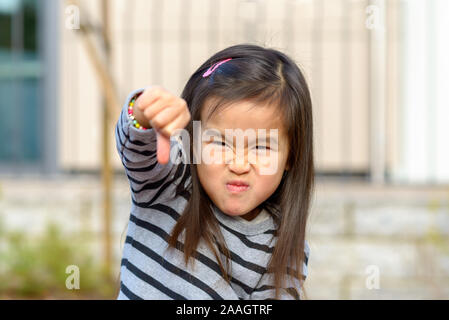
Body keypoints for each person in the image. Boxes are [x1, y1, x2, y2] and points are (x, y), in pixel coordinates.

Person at [115, 44, 313, 300]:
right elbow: (137, 147)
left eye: (262, 147)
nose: (239, 165)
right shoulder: (168, 184)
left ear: (291, 155)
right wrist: (145, 111)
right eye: (219, 143)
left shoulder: (283, 247)